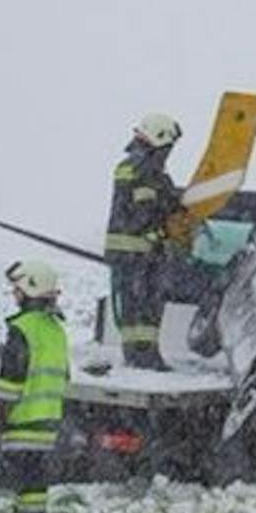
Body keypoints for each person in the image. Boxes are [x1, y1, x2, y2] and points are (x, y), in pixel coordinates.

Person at [0, 260, 70, 513]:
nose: (15, 294)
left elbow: (11, 380)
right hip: (48, 418)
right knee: (35, 476)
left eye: (17, 289)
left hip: (23, 418)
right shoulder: (55, 330)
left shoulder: (22, 328)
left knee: (24, 475)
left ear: (29, 289)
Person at [104, 112, 184, 370]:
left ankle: (140, 356)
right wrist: (162, 231)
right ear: (160, 140)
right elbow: (144, 212)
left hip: (134, 253)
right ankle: (143, 358)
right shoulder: (145, 169)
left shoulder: (140, 167)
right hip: (138, 251)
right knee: (143, 306)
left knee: (136, 307)